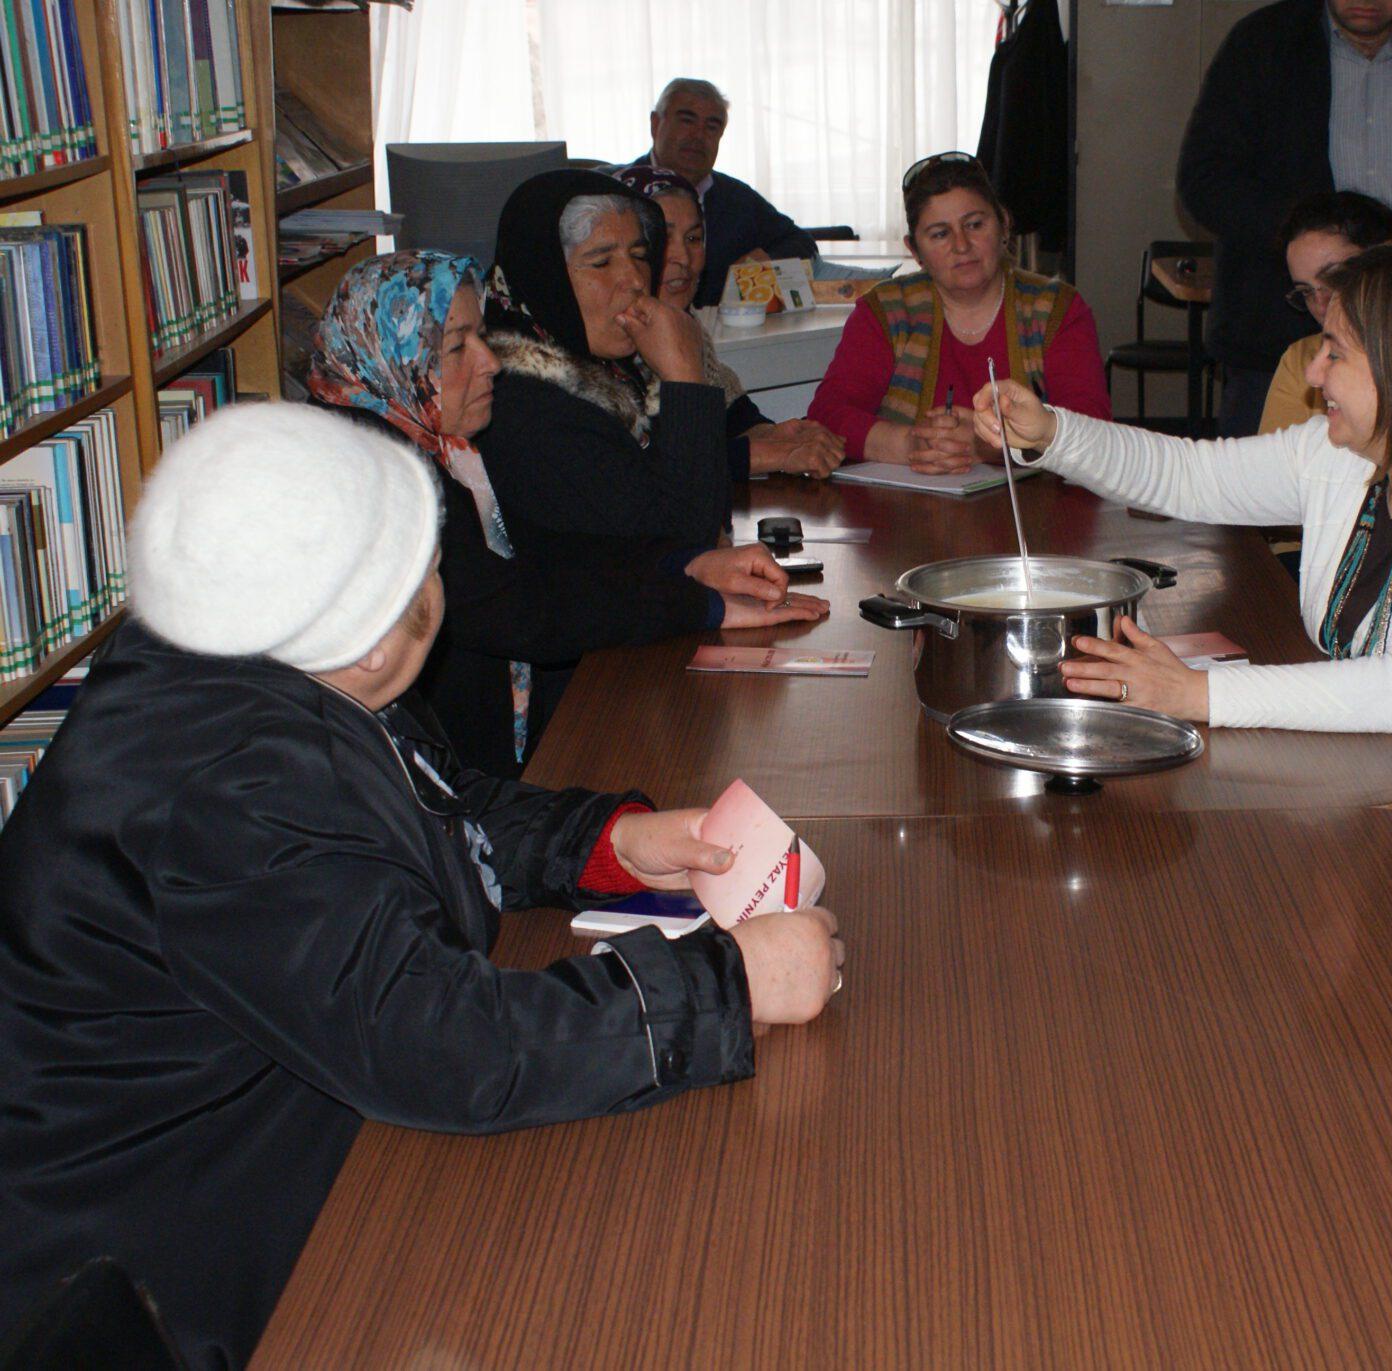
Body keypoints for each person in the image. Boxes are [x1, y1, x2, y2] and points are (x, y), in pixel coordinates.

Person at [0, 402, 846, 1367]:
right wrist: (726, 986)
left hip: (257, 1159)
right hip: (149, 1277)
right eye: (432, 563)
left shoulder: (265, 666)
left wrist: (606, 841)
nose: (449, 580)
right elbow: (439, 1042)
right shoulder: (233, 785)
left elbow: (423, 807)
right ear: (373, 633)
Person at [971, 235, 1392, 926]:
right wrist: (1050, 432)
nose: (1314, 372)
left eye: (1336, 351)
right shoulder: (1347, 451)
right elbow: (1192, 476)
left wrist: (1192, 691)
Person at [308, 250, 824, 777]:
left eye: (482, 337)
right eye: (459, 345)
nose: (489, 361)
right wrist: (697, 605)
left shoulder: (437, 448)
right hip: (447, 779)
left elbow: (537, 549)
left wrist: (682, 566)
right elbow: (517, 611)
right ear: (393, 353)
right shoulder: (378, 480)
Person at [1179, 0, 1392, 438]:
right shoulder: (1260, 44)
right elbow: (1204, 179)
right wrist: (1309, 242)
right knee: (1257, 498)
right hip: (1276, 333)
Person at [475, 170, 788, 553]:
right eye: (602, 262)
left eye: (640, 257)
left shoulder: (618, 373)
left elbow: (709, 512)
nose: (635, 280)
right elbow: (685, 541)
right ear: (546, 276)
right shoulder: (522, 405)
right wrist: (684, 379)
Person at [808, 152, 1110, 473]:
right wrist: (911, 444)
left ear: (1004, 225)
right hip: (908, 512)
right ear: (915, 250)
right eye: (940, 234)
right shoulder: (884, 310)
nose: (962, 245)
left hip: (1037, 513)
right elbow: (828, 414)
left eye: (975, 224)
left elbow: (1093, 429)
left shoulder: (1057, 309)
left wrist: (991, 446)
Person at [610, 162, 844, 481]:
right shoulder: (603, 345)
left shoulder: (686, 327)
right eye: (662, 237)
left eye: (694, 238)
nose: (683, 256)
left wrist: (776, 434)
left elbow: (732, 417)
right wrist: (761, 454)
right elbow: (644, 470)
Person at [625, 77, 817, 307]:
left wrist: (760, 261)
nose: (698, 136)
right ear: (655, 124)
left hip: (723, 334)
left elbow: (800, 241)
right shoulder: (619, 193)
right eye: (687, 121)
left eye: (711, 127)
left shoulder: (735, 197)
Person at [1259, 191, 1392, 434]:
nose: (1322, 304)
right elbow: (1271, 468)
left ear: (1391, 264)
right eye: (1305, 291)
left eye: (1335, 278)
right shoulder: (1303, 361)